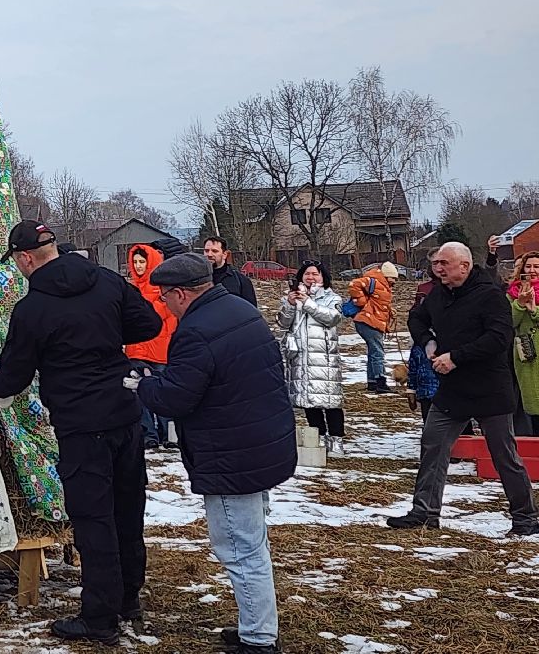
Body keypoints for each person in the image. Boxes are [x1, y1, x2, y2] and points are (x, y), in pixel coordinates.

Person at [0, 220, 162, 645]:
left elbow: (15, 373)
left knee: (93, 519)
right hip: (124, 414)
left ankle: (100, 619)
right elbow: (148, 325)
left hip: (81, 426)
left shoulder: (33, 308)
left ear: (25, 259)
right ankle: (128, 599)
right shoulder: (106, 282)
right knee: (128, 508)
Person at [135, 253, 296, 654]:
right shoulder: (239, 309)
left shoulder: (196, 330)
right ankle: (256, 625)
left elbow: (177, 398)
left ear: (181, 294)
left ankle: (259, 639)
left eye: (165, 297)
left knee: (240, 549)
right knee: (253, 543)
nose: (164, 305)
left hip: (230, 453)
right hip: (261, 440)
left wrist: (142, 386)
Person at [387, 242, 538, 534]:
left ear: (464, 266)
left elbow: (499, 337)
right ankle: (424, 513)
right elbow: (416, 318)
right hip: (452, 392)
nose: (438, 268)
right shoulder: (438, 294)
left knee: (504, 456)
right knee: (432, 447)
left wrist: (456, 357)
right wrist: (428, 343)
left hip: (490, 389)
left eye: (444, 263)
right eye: (436, 264)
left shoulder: (490, 295)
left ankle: (525, 518)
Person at [278, 261, 346, 457]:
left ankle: (336, 439)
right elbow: (282, 323)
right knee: (308, 400)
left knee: (331, 400)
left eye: (315, 274)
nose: (311, 278)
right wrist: (290, 305)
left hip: (324, 356)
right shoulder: (291, 298)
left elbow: (332, 318)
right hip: (300, 356)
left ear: (323, 277)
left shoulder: (332, 298)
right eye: (307, 274)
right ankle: (318, 436)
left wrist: (307, 303)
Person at [124, 244, 177, 451]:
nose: (138, 266)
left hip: (159, 349)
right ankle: (149, 434)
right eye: (135, 262)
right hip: (137, 349)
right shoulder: (132, 289)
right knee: (140, 395)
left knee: (161, 393)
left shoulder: (163, 288)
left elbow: (165, 317)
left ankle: (168, 433)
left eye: (142, 262)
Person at [346, 261, 397, 394]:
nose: (395, 281)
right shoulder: (374, 281)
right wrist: (361, 301)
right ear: (386, 276)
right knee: (378, 352)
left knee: (373, 352)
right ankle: (381, 382)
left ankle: (372, 382)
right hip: (368, 321)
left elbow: (378, 303)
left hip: (372, 321)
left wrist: (389, 311)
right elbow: (354, 284)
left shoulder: (384, 286)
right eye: (393, 278)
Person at [509, 251, 539, 436]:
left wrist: (534, 310)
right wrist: (519, 304)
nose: (532, 270)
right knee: (533, 404)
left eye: (537, 266)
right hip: (527, 353)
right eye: (528, 266)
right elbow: (509, 323)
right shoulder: (512, 293)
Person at [203, 237, 257, 307]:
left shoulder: (240, 280)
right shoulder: (196, 279)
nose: (209, 254)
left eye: (214, 251)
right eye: (206, 251)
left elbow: (251, 310)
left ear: (224, 254)